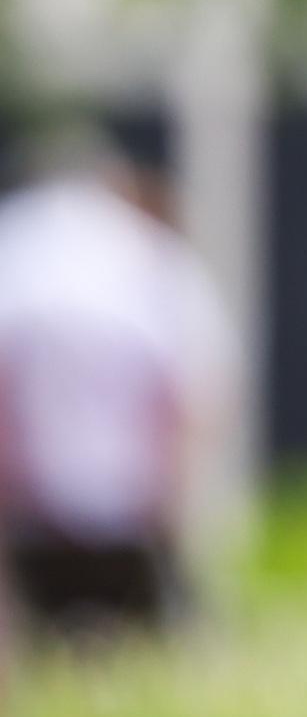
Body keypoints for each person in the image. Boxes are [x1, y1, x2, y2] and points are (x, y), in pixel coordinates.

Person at [0, 135, 233, 637]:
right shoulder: (152, 257)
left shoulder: (14, 246)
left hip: (25, 516)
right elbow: (194, 396)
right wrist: (181, 516)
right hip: (131, 518)